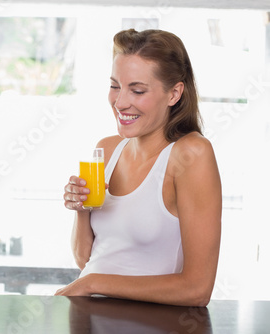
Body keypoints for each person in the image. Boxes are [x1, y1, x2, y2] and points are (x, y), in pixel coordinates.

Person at [56, 29, 222, 307]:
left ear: (174, 94)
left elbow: (197, 289)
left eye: (137, 90)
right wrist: (81, 211)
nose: (120, 102)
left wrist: (93, 282)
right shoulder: (108, 149)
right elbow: (87, 259)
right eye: (115, 86)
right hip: (93, 318)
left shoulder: (191, 154)